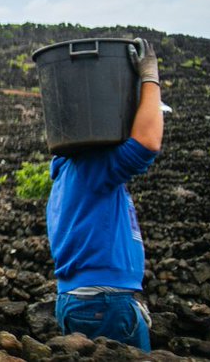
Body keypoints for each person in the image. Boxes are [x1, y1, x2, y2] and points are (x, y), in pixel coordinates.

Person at [47, 38, 162, 351]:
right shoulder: (92, 166)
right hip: (101, 303)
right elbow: (147, 142)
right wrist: (150, 77)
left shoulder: (68, 171)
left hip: (84, 299)